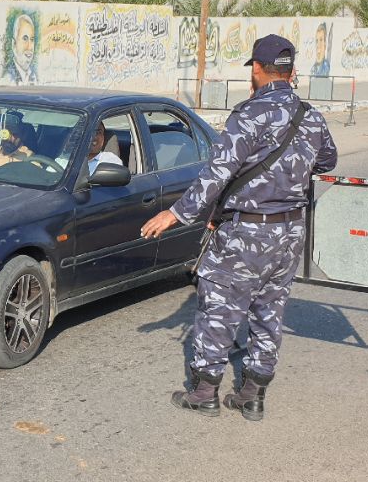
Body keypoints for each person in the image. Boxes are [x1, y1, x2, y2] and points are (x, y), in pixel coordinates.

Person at [139, 35, 338, 421]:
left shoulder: (249, 115)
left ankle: (204, 392)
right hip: (290, 232)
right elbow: (327, 160)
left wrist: (177, 214)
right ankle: (252, 395)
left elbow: (217, 173)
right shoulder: (311, 116)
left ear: (257, 70)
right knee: (270, 310)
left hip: (246, 233)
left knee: (220, 307)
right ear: (292, 72)